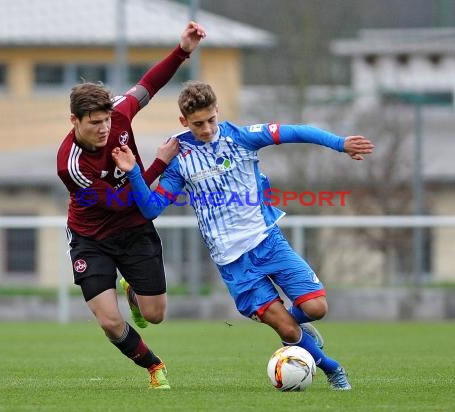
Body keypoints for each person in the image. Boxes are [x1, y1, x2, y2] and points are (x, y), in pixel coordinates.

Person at [111, 80, 374, 391]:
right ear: (183, 121)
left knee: (316, 309)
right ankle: (333, 369)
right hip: (233, 262)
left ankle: (295, 327)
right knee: (288, 331)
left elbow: (296, 131)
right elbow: (151, 207)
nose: (207, 129)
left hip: (268, 241)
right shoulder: (179, 157)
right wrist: (133, 171)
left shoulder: (241, 137)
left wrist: (340, 143)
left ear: (218, 112)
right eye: (198, 124)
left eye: (211, 120)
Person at [56, 23, 206, 390]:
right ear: (75, 121)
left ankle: (134, 293)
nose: (104, 129)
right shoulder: (70, 165)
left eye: (107, 120)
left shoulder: (120, 114)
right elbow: (121, 202)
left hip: (135, 228)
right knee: (109, 321)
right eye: (94, 123)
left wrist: (183, 50)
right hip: (92, 237)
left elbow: (149, 84)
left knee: (154, 315)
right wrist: (157, 164)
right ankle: (154, 366)